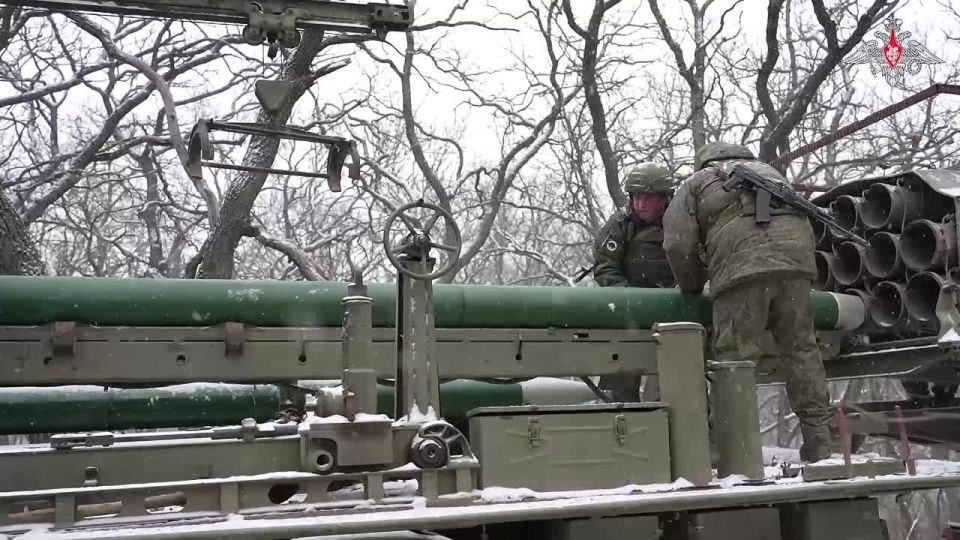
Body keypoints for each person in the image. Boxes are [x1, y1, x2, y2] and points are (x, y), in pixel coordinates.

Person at [661, 142, 836, 462]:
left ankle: (734, 452)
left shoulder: (696, 183)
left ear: (704, 162)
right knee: (801, 348)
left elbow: (676, 243)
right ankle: (819, 441)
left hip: (742, 271)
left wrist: (691, 285)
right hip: (796, 266)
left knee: (735, 359)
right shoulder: (772, 174)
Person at [592, 163, 675, 402]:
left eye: (647, 198)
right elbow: (605, 268)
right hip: (629, 315)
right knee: (619, 393)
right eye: (637, 197)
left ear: (663, 198)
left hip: (672, 313)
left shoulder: (682, 221)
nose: (640, 204)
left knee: (671, 391)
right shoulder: (620, 225)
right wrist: (629, 300)